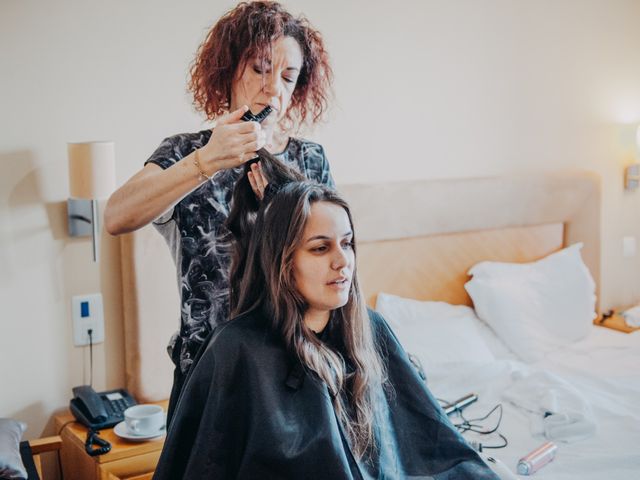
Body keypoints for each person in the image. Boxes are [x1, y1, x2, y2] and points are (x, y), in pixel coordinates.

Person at [152, 154, 498, 479]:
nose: (342, 261)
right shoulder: (238, 349)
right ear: (282, 261)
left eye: (347, 243)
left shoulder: (370, 328)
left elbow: (429, 447)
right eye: (320, 247)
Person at [104, 1, 334, 422]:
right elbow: (117, 216)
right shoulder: (186, 152)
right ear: (228, 70)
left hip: (295, 374)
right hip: (212, 379)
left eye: (288, 76)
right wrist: (208, 160)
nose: (273, 90)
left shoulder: (312, 160)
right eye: (260, 69)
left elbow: (333, 269)